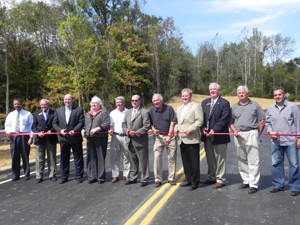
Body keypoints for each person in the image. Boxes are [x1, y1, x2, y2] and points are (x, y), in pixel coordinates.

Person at [230, 86, 265, 194]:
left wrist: (257, 133)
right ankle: (246, 180)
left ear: (247, 93)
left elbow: (262, 120)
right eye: (239, 93)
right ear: (237, 95)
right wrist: (234, 130)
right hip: (238, 134)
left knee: (253, 160)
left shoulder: (255, 105)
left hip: (252, 133)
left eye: (243, 92)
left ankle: (253, 184)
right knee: (242, 159)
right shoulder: (234, 107)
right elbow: (230, 122)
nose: (241, 94)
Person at [265, 87, 300, 196]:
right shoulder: (270, 108)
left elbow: (298, 123)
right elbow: (267, 122)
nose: (277, 97)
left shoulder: (292, 107)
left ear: (284, 95)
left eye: (279, 94)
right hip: (276, 142)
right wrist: (270, 131)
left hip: (290, 141)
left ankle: (295, 187)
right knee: (276, 163)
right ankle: (278, 185)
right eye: (275, 95)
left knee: (294, 164)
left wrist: (298, 138)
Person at [201, 82, 231, 188]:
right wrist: (203, 127)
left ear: (218, 90)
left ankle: (220, 179)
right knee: (210, 158)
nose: (212, 91)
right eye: (210, 89)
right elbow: (202, 118)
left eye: (214, 89)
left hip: (219, 136)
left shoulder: (224, 103)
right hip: (207, 136)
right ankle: (211, 177)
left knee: (220, 159)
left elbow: (224, 119)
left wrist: (215, 129)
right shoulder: (204, 103)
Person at [52, 94, 85, 184]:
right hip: (64, 138)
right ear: (63, 100)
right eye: (66, 99)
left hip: (75, 137)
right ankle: (64, 176)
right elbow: (54, 123)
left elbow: (81, 122)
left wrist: (75, 130)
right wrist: (60, 130)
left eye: (69, 99)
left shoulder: (78, 110)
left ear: (72, 100)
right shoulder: (58, 111)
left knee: (78, 158)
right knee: (64, 158)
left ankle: (79, 176)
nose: (67, 101)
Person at [176, 88, 203, 190]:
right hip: (182, 138)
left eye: (186, 96)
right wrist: (176, 129)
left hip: (192, 138)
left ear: (190, 96)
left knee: (194, 161)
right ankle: (188, 179)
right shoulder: (179, 108)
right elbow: (178, 123)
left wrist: (191, 129)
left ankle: (195, 181)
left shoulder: (196, 106)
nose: (184, 97)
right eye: (183, 96)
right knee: (185, 161)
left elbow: (199, 120)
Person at [122, 94, 151, 187]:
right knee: (133, 160)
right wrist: (126, 130)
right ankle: (133, 178)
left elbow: (146, 126)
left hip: (140, 140)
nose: (134, 102)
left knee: (143, 161)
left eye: (136, 100)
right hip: (129, 140)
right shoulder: (128, 112)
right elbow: (123, 124)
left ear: (140, 101)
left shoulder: (144, 112)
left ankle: (145, 179)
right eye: (132, 101)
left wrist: (136, 132)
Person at [149, 93, 177, 188]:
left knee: (171, 158)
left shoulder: (169, 109)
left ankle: (171, 178)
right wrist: (153, 129)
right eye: (154, 101)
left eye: (157, 100)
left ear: (161, 100)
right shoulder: (152, 110)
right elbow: (150, 123)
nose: (155, 102)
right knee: (157, 158)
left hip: (170, 136)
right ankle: (158, 179)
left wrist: (169, 136)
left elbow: (172, 123)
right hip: (158, 137)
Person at [81, 96, 110, 184]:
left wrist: (98, 128)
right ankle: (92, 176)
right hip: (90, 138)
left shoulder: (104, 113)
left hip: (100, 138)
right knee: (91, 158)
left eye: (96, 103)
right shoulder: (87, 114)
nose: (94, 105)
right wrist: (83, 130)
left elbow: (106, 124)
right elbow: (85, 125)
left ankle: (100, 177)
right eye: (92, 103)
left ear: (99, 104)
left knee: (100, 157)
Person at [5, 98, 33, 181]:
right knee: (14, 156)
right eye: (15, 104)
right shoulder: (10, 114)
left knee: (25, 155)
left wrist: (31, 138)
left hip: (24, 136)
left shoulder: (28, 114)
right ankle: (15, 175)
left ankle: (26, 174)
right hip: (13, 137)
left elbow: (31, 127)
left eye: (18, 104)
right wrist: (8, 133)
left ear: (21, 104)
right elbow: (7, 125)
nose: (16, 105)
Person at [32, 99, 58, 183]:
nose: (43, 106)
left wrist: (52, 130)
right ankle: (39, 176)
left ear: (49, 104)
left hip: (51, 138)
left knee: (52, 157)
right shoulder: (36, 114)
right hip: (40, 139)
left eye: (45, 104)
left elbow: (57, 123)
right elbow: (33, 126)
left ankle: (52, 175)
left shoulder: (54, 113)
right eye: (42, 105)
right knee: (39, 158)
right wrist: (37, 133)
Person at [108, 96, 131, 183]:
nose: (118, 104)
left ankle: (126, 175)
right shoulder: (112, 113)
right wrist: (110, 129)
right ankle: (115, 175)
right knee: (114, 157)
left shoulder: (128, 112)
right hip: (115, 136)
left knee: (126, 156)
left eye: (120, 102)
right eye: (117, 102)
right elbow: (111, 125)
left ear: (124, 103)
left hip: (126, 136)